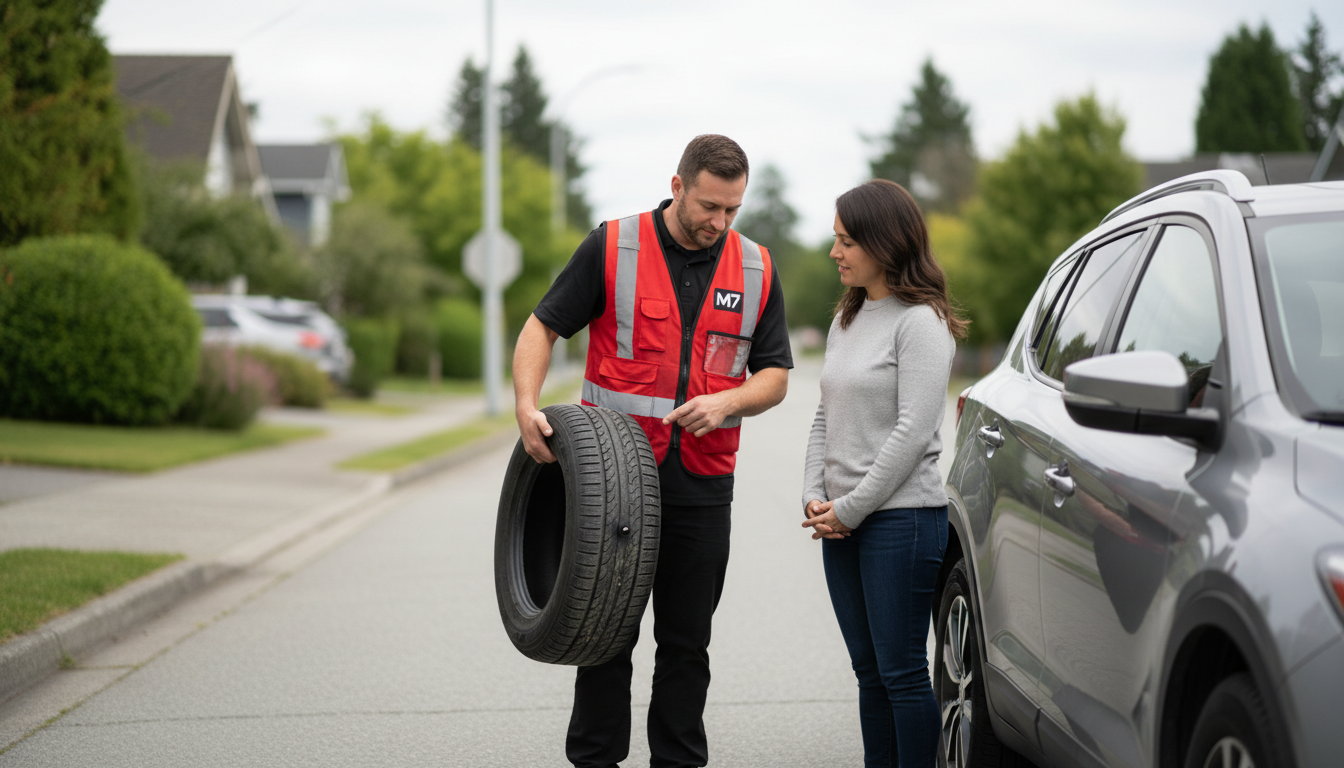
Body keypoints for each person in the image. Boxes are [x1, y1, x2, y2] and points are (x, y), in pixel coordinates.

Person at [512, 134, 793, 768]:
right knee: (604, 635)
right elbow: (542, 326)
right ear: (678, 187)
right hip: (614, 486)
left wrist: (726, 402)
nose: (719, 224)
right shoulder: (614, 244)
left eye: (732, 211)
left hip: (701, 487)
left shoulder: (756, 267)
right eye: (709, 207)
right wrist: (528, 406)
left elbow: (774, 375)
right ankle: (595, 759)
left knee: (688, 644)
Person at [800, 179, 967, 767]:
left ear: (884, 242)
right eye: (836, 239)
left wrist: (850, 507)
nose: (834, 252)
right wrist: (814, 493)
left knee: (900, 674)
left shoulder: (920, 323)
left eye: (846, 241)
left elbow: (914, 432)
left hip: (901, 520)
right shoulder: (850, 316)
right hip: (843, 520)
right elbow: (827, 411)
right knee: (869, 673)